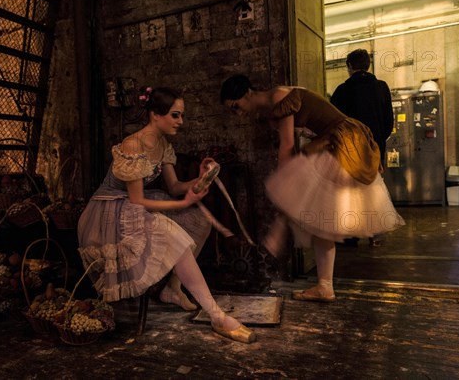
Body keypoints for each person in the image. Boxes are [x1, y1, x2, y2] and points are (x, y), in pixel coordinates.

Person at [77, 87, 256, 343]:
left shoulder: (163, 145)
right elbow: (138, 200)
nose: (180, 122)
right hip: (109, 213)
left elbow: (174, 188)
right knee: (170, 233)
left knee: (199, 220)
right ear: (154, 115)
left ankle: (172, 288)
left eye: (181, 115)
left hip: (134, 207)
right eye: (175, 115)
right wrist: (185, 201)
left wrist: (202, 179)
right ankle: (216, 315)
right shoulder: (133, 144)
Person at [220, 75, 404, 302]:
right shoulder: (272, 107)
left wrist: (285, 187)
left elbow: (287, 147)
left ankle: (282, 230)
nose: (238, 113)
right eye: (232, 111)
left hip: (341, 142)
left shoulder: (280, 96)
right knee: (320, 219)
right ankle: (324, 286)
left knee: (304, 201)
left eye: (236, 106)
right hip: (329, 142)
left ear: (247, 93)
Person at [330, 49, 394, 246]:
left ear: (349, 67)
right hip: (375, 147)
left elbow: (334, 122)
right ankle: (376, 234)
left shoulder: (342, 90)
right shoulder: (382, 87)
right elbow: (388, 121)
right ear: (368, 65)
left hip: (349, 150)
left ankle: (351, 235)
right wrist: (377, 142)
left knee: (350, 192)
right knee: (374, 188)